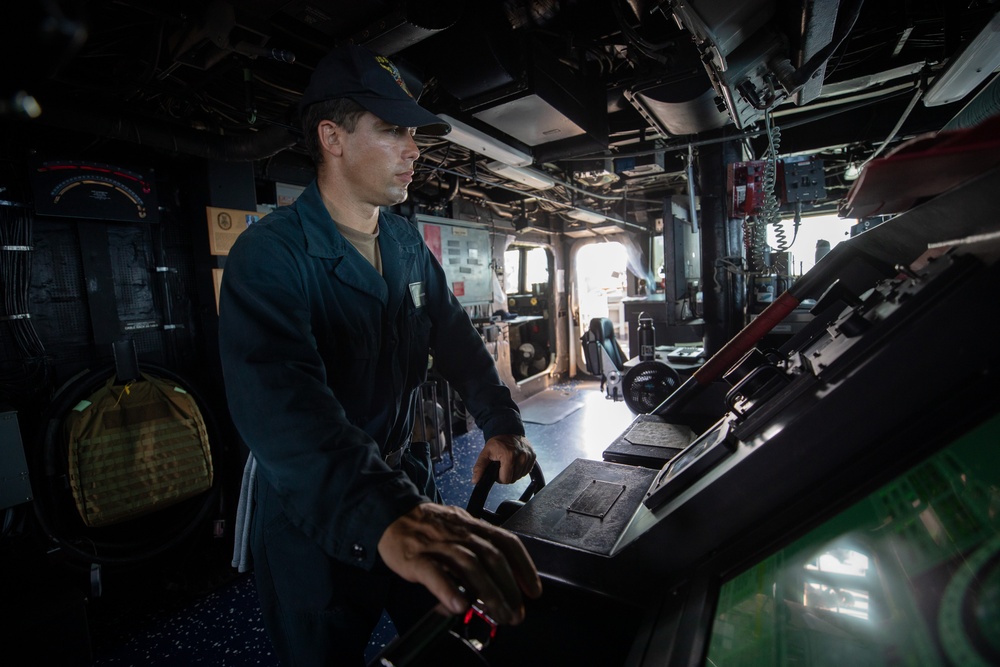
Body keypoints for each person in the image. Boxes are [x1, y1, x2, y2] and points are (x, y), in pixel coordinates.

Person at [218, 44, 542, 666]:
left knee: (447, 637)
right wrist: (384, 511)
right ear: (332, 138)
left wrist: (501, 423)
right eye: (392, 130)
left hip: (400, 480)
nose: (414, 149)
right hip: (316, 505)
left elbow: (457, 343)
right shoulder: (270, 255)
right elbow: (285, 402)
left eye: (413, 132)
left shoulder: (403, 242)